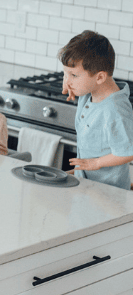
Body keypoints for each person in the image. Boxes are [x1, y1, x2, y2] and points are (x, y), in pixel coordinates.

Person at [60, 30, 133, 190]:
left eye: (73, 75)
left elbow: (128, 152)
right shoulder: (89, 92)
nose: (67, 81)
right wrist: (69, 79)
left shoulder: (115, 110)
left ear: (100, 77)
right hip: (86, 185)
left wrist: (97, 163)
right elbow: (75, 79)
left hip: (108, 192)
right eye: (65, 73)